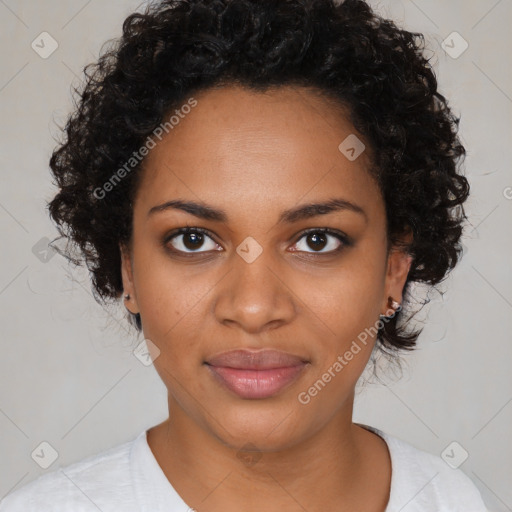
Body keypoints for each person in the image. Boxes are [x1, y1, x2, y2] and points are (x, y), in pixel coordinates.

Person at [0, 0, 488, 510]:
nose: (254, 308)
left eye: (317, 240)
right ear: (129, 269)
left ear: (395, 267)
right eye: (193, 240)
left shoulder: (455, 500)